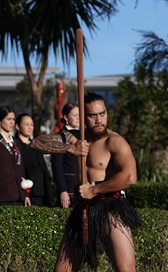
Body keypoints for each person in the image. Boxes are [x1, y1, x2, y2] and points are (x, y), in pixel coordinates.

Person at [31, 92, 143, 272]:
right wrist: (71, 148)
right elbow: (36, 143)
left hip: (112, 206)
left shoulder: (114, 141)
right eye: (92, 115)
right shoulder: (73, 138)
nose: (99, 120)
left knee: (125, 269)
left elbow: (129, 177)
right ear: (82, 117)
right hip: (83, 207)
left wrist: (94, 190)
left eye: (103, 113)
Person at [0, 106, 30, 207]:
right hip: (2, 196)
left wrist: (25, 193)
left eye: (13, 119)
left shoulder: (16, 142)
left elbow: (21, 168)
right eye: (8, 119)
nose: (12, 122)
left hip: (19, 195)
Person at [14, 113, 52, 207]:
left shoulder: (35, 144)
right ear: (18, 126)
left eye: (32, 125)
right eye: (26, 124)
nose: (30, 127)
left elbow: (44, 170)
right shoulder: (15, 145)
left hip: (40, 191)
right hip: (25, 192)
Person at [51, 103, 80, 208]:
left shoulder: (84, 134)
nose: (78, 118)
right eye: (75, 115)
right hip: (69, 188)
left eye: (79, 114)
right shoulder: (59, 136)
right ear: (66, 117)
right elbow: (57, 166)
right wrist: (63, 190)